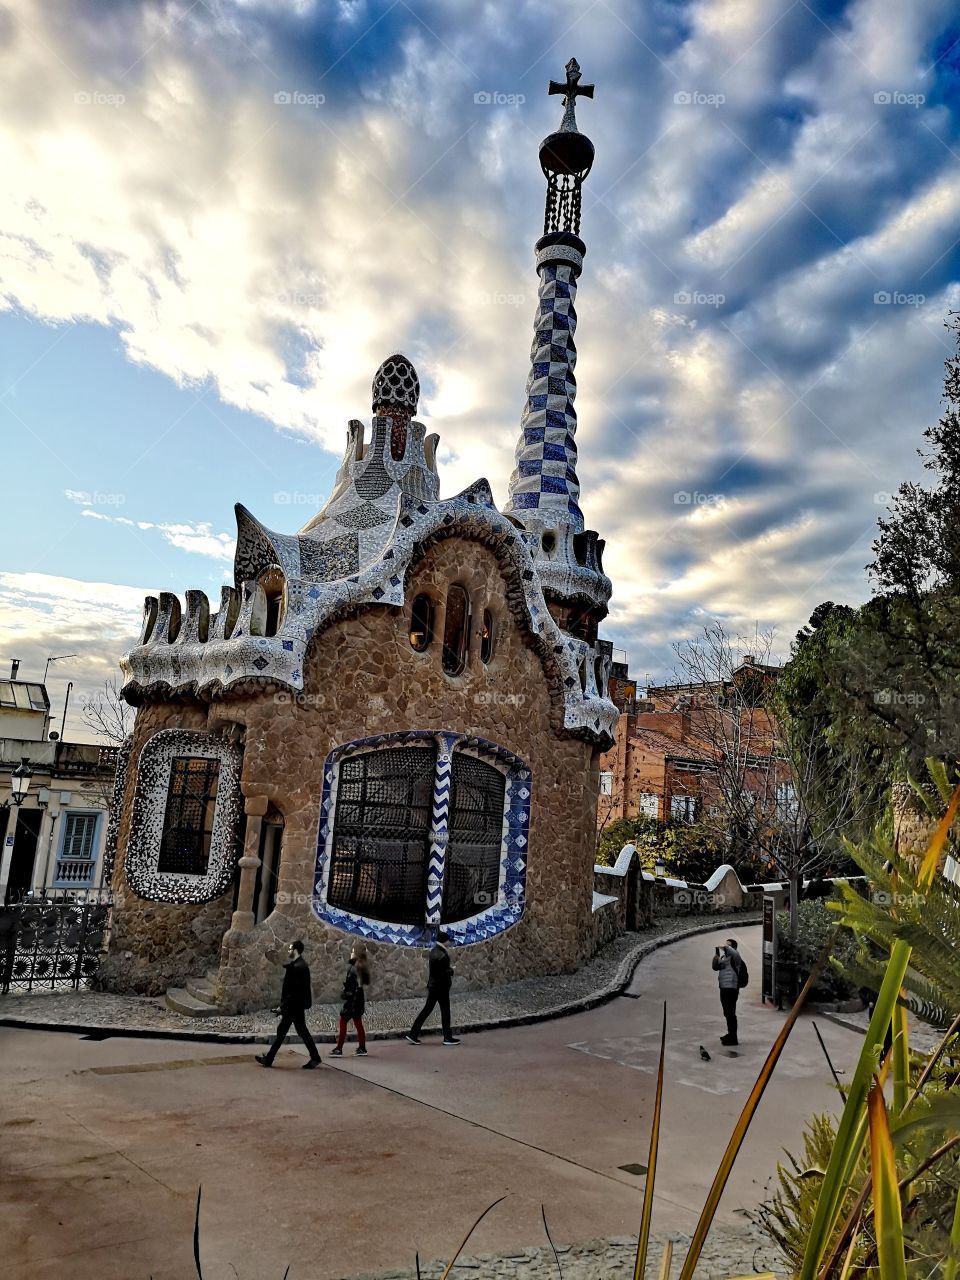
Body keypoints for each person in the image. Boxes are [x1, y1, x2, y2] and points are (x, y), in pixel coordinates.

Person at [256, 939, 322, 1068]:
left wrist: (282, 1007)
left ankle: (269, 1059)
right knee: (300, 1031)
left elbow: (293, 992)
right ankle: (315, 1057)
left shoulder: (299, 967)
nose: (288, 951)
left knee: (283, 1032)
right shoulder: (299, 965)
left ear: (296, 950)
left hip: (293, 1007)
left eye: (290, 949)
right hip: (295, 1006)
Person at [405, 930, 460, 1046]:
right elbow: (443, 972)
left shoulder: (434, 951)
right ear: (445, 941)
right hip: (441, 987)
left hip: (433, 986)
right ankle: (447, 1037)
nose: (449, 942)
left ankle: (413, 1034)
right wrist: (451, 970)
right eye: (448, 940)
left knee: (427, 1010)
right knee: (445, 1012)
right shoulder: (443, 955)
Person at [330, 941, 371, 1057]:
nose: (351, 954)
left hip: (352, 1002)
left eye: (353, 952)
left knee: (343, 1022)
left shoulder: (355, 968)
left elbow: (355, 987)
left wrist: (346, 994)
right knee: (358, 1023)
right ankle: (362, 1048)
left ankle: (339, 1048)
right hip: (357, 1001)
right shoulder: (360, 966)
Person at [711, 937, 743, 1046]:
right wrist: (716, 956)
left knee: (731, 1012)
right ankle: (730, 1034)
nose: (726, 947)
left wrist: (725, 946)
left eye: (729, 945)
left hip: (732, 987)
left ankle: (733, 1037)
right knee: (727, 1012)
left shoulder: (736, 957)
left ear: (733, 947)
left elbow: (731, 951)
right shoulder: (724, 957)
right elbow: (715, 967)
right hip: (723, 987)